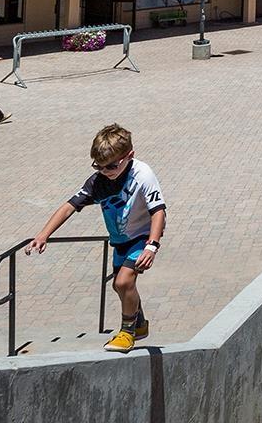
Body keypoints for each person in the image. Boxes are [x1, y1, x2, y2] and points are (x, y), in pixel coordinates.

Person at [29, 123, 167, 352]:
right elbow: (69, 206)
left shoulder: (143, 174)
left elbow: (158, 211)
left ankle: (127, 333)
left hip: (143, 236)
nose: (105, 171)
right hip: (120, 239)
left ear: (129, 156)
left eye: (111, 166)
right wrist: (43, 234)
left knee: (124, 281)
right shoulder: (98, 182)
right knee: (118, 286)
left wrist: (152, 246)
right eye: (99, 166)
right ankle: (139, 323)